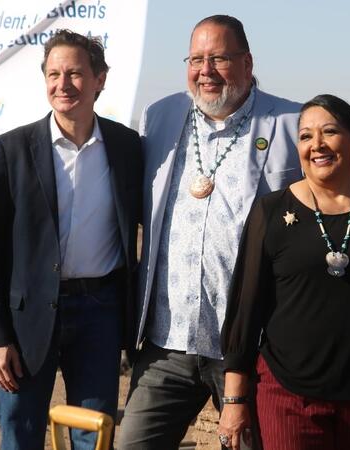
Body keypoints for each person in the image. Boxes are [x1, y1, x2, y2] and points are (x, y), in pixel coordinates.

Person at [118, 15, 302, 449]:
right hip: (168, 342)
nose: (206, 71)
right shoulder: (160, 116)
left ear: (247, 62)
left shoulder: (291, 122)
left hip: (249, 348)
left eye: (218, 58)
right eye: (196, 59)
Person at [218, 94, 350, 450]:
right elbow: (245, 310)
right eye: (305, 136)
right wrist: (234, 401)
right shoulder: (271, 212)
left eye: (329, 132)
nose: (317, 145)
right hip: (289, 397)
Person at [0, 29, 142, 449]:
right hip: (26, 319)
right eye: (53, 74)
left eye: (75, 73)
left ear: (100, 79)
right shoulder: (10, 150)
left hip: (100, 313)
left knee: (92, 433)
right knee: (21, 434)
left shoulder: (127, 147)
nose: (62, 84)